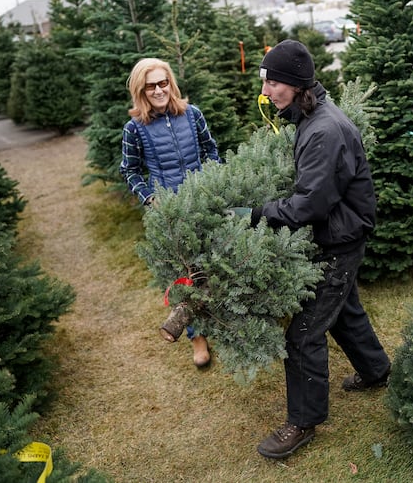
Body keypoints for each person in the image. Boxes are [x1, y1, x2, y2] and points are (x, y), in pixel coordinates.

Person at [251, 40, 391, 459]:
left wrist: (255, 213)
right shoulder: (312, 118)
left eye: (273, 82)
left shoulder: (325, 130)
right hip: (339, 231)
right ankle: (376, 371)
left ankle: (302, 422)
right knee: (343, 309)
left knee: (304, 332)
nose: (267, 90)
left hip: (339, 238)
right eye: (265, 81)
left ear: (295, 85)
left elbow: (310, 204)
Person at [120, 57, 221, 366]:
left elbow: (211, 151)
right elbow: (130, 171)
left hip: (203, 203)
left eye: (163, 83)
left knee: (214, 266)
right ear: (141, 90)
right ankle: (197, 339)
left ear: (171, 84)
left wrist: (213, 182)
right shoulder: (134, 128)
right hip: (169, 213)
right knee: (184, 276)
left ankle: (225, 322)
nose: (159, 90)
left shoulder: (193, 114)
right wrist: (150, 198)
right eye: (151, 86)